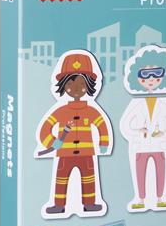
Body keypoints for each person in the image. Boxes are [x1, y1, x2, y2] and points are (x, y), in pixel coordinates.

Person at [36, 51, 112, 216]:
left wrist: (104, 143)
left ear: (89, 86)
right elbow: (44, 130)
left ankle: (89, 203)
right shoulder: (61, 111)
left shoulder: (91, 111)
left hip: (87, 154)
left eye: (81, 84)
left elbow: (102, 125)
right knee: (61, 179)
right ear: (64, 86)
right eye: (70, 84)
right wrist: (53, 142)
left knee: (89, 179)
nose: (76, 89)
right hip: (65, 154)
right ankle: (59, 205)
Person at [120, 46, 166, 211]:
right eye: (145, 75)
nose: (151, 79)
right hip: (140, 146)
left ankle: (161, 198)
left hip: (159, 145)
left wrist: (165, 134)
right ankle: (140, 199)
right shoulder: (135, 103)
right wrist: (137, 132)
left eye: (156, 74)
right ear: (136, 78)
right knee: (140, 171)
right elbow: (125, 126)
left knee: (161, 171)